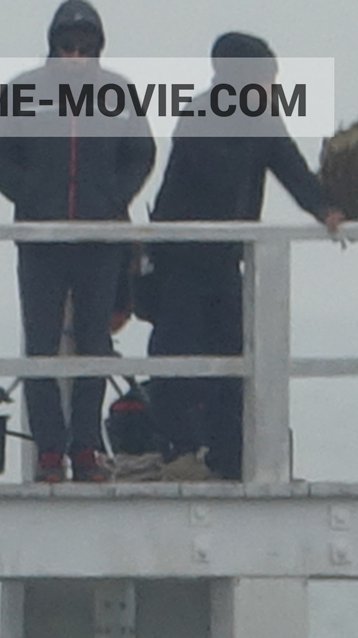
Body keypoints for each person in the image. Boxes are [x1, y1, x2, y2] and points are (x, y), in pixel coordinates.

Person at [147, 33, 344, 481]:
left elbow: (292, 171)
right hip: (181, 257)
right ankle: (178, 449)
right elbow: (215, 176)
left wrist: (325, 207)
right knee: (176, 352)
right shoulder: (199, 117)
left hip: (223, 261)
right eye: (265, 78)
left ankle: (229, 452)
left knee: (235, 354)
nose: (273, 88)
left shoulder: (262, 122)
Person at [0, 0, 156, 483]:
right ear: (52, 46)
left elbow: (141, 154)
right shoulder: (25, 91)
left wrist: (112, 198)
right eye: (67, 46)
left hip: (100, 240)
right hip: (40, 238)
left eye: (85, 47)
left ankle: (84, 445)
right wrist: (31, 194)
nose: (76, 55)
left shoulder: (118, 93)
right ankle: (49, 451)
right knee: (40, 344)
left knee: (94, 343)